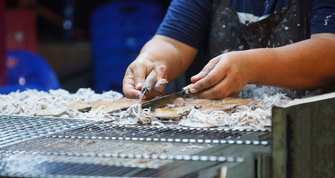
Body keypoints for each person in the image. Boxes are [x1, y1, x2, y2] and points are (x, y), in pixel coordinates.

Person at [122, 0, 335, 100]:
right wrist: (150, 61)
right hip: (229, 133)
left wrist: (250, 67)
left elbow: (329, 50)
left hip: (309, 133)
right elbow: (172, 44)